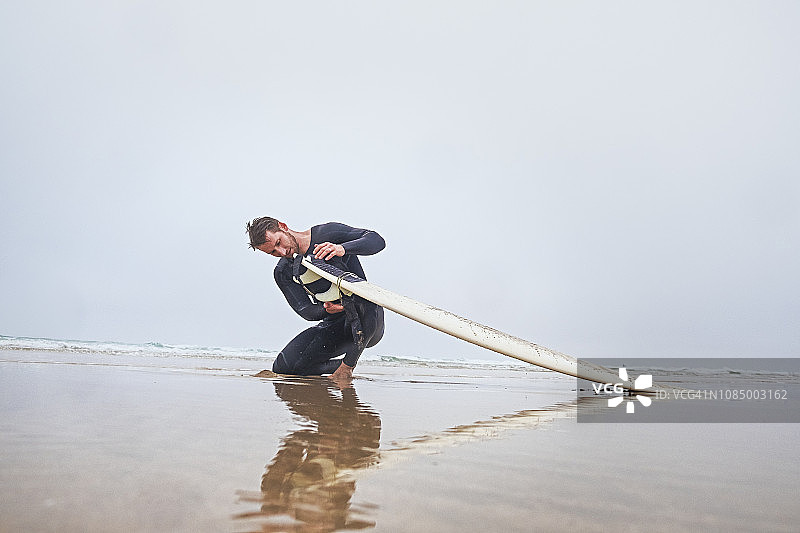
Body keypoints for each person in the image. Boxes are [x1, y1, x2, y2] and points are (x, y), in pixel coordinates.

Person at [246, 217, 385, 383]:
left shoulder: (327, 234)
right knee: (283, 367)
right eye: (273, 252)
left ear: (283, 227)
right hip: (338, 327)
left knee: (365, 299)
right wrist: (326, 309)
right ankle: (340, 367)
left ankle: (348, 366)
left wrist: (342, 248)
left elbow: (377, 241)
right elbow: (306, 310)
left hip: (369, 320)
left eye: (279, 242)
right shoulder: (284, 271)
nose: (282, 252)